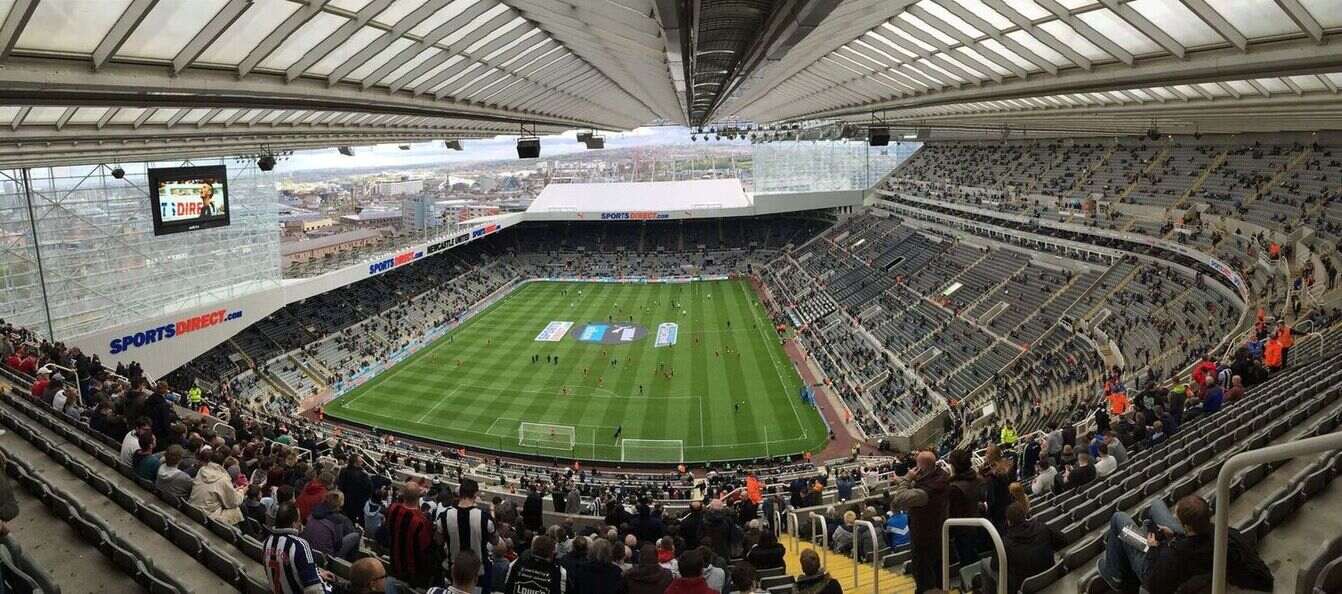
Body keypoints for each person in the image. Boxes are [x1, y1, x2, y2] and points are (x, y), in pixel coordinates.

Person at [1098, 495, 1273, 593]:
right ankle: (1147, 528)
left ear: (1187, 526)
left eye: (1178, 517)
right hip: (1188, 541)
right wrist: (1174, 534)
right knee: (1156, 504)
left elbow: (1153, 584)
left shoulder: (1176, 554)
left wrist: (1152, 548)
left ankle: (1115, 575)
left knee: (1118, 518)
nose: (1175, 516)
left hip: (1152, 565)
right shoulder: (1226, 533)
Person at [890, 450, 947, 593]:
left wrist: (907, 479)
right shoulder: (942, 476)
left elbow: (898, 499)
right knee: (936, 571)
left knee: (923, 575)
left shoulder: (924, 494)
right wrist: (908, 481)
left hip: (923, 537)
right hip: (938, 533)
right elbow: (924, 483)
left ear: (920, 469)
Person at [984, 503, 1064, 593]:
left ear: (1009, 522)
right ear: (1025, 515)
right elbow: (1062, 540)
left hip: (1023, 587)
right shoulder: (1042, 527)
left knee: (985, 563)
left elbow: (994, 565)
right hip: (1050, 576)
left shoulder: (1004, 544)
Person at [438, 478, 497, 593]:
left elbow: (439, 541)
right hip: (479, 573)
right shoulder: (484, 518)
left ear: (460, 493)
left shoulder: (444, 517)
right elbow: (495, 541)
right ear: (475, 494)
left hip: (453, 571)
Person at [263, 503, 334, 594]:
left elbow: (285, 569)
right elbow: (314, 590)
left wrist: (316, 574)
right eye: (299, 520)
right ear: (293, 524)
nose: (300, 523)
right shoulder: (300, 545)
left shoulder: (267, 542)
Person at [387, 482, 435, 588]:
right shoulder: (421, 521)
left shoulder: (392, 509)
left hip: (394, 563)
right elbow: (425, 550)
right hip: (412, 573)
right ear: (419, 497)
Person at [189, 447, 244, 525]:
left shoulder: (202, 470)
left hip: (191, 509)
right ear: (224, 463)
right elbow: (233, 502)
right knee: (236, 510)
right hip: (206, 517)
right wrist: (241, 492)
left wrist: (234, 491)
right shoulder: (223, 479)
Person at [302, 490, 361, 561]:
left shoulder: (313, 513)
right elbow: (338, 546)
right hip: (326, 557)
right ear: (341, 504)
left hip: (308, 550)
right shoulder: (339, 520)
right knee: (356, 534)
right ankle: (351, 562)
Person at [336, 456, 374, 524]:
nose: (362, 463)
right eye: (360, 461)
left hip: (344, 500)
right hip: (356, 503)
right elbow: (369, 489)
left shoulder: (343, 470)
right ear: (355, 463)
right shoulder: (363, 475)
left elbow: (340, 485)